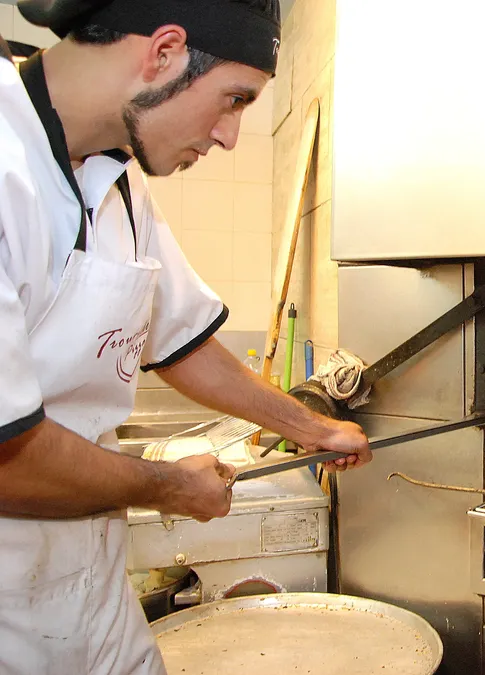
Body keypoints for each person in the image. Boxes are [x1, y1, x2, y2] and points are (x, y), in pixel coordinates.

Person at [0, 1, 371, 673]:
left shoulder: (121, 183)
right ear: (164, 51)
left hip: (93, 596)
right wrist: (170, 486)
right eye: (233, 99)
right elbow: (10, 458)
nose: (230, 135)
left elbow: (181, 341)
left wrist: (310, 425)